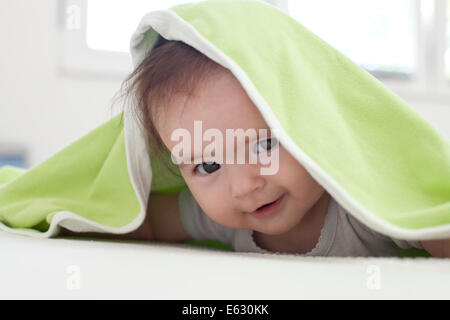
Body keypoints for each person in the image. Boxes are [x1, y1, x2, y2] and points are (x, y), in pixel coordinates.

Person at [60, 38, 448, 258]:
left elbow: (430, 221)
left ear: (315, 123)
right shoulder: (216, 217)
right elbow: (143, 220)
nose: (244, 186)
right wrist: (68, 218)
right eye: (208, 166)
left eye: (264, 144)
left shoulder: (363, 207)